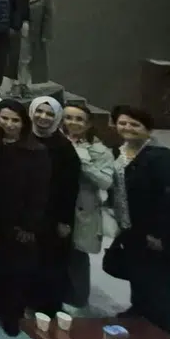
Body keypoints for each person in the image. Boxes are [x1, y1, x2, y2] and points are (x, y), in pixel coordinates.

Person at [107, 106, 170, 336]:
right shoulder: (119, 152)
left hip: (166, 232)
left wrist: (160, 234)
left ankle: (165, 332)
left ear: (148, 130)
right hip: (133, 228)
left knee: (159, 284)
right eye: (123, 123)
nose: (128, 128)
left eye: (135, 125)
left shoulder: (163, 157)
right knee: (139, 274)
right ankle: (139, 312)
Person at [0, 99, 50, 337]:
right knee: (0, 265)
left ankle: (14, 314)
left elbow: (39, 193)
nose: (9, 124)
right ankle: (1, 302)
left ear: (24, 122)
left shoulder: (36, 152)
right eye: (4, 118)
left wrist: (29, 225)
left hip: (22, 222)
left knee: (18, 270)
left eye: (14, 120)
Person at [26, 95, 80, 317]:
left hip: (53, 215)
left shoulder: (64, 148)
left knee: (51, 262)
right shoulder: (25, 138)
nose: (43, 117)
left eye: (49, 114)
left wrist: (65, 221)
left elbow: (69, 187)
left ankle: (48, 306)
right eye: (39, 111)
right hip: (28, 211)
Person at [60, 102, 114, 313]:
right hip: (55, 203)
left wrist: (81, 160)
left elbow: (106, 182)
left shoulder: (100, 151)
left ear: (89, 123)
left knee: (77, 255)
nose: (73, 123)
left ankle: (77, 298)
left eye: (79, 119)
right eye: (68, 117)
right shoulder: (55, 142)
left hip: (82, 208)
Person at [10, 0, 54, 93]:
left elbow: (48, 16)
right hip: (16, 29)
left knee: (27, 58)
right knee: (14, 58)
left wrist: (46, 34)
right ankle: (15, 84)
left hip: (33, 31)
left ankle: (24, 83)